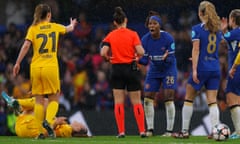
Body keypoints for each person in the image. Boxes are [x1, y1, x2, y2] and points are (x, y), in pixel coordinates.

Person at [12, 3, 77, 138]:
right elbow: (68, 29)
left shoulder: (33, 28)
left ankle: (40, 132)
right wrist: (72, 24)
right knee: (54, 98)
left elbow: (25, 46)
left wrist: (18, 62)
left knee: (38, 101)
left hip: (35, 68)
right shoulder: (54, 27)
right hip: (50, 67)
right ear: (49, 15)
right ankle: (48, 122)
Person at [174, 1, 222, 138]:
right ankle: (215, 132)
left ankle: (184, 131)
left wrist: (194, 69)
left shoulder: (197, 28)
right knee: (212, 101)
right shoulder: (217, 29)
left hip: (202, 68)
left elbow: (196, 49)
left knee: (189, 98)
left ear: (200, 13)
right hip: (215, 68)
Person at [100, 6, 146, 138]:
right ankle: (142, 131)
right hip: (131, 68)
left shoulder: (111, 35)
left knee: (118, 102)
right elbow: (141, 51)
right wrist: (136, 56)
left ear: (115, 22)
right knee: (136, 101)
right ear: (125, 20)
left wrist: (108, 59)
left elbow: (103, 52)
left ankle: (121, 132)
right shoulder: (133, 34)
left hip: (117, 69)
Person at [138, 11, 177, 137]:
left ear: (159, 25)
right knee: (147, 97)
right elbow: (144, 61)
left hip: (168, 69)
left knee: (168, 97)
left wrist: (166, 58)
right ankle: (150, 129)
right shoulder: (145, 39)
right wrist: (137, 59)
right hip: (154, 69)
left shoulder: (168, 38)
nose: (151, 26)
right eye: (150, 24)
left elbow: (171, 59)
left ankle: (169, 131)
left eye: (154, 23)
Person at [1, 91, 88, 138]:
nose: (78, 122)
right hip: (21, 127)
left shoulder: (67, 130)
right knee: (40, 103)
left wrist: (55, 123)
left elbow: (48, 133)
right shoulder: (66, 127)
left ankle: (18, 104)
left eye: (81, 124)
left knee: (43, 102)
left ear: (78, 128)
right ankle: (19, 107)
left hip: (29, 128)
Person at [221, 9, 240, 139]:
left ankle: (239, 131)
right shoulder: (234, 34)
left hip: (237, 69)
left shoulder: (235, 33)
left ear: (232, 20)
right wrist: (224, 30)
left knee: (231, 98)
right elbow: (226, 40)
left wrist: (233, 67)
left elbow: (221, 40)